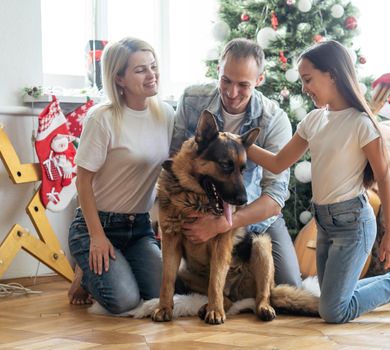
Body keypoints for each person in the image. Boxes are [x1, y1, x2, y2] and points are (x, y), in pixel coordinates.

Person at [246, 40, 390, 323]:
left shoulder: (361, 123)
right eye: (302, 82)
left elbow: (384, 177)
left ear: (332, 74)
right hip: (324, 224)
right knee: (333, 299)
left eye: (308, 79)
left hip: (353, 225)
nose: (304, 88)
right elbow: (277, 162)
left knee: (334, 310)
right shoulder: (313, 121)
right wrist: (240, 144)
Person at [170, 38, 302, 288]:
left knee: (287, 285)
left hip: (251, 214)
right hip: (195, 207)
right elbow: (174, 160)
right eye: (226, 80)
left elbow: (274, 198)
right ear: (217, 70)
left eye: (243, 85)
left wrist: (222, 224)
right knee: (170, 281)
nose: (231, 93)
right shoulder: (192, 99)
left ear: (259, 80)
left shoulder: (274, 119)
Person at [67, 37, 175, 313]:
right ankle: (84, 272)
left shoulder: (166, 114)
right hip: (98, 225)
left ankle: (116, 266)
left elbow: (170, 172)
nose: (152, 75)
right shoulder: (101, 118)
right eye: (140, 70)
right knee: (124, 301)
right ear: (119, 79)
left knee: (163, 292)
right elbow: (83, 181)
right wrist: (97, 238)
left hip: (139, 228)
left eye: (153, 66)